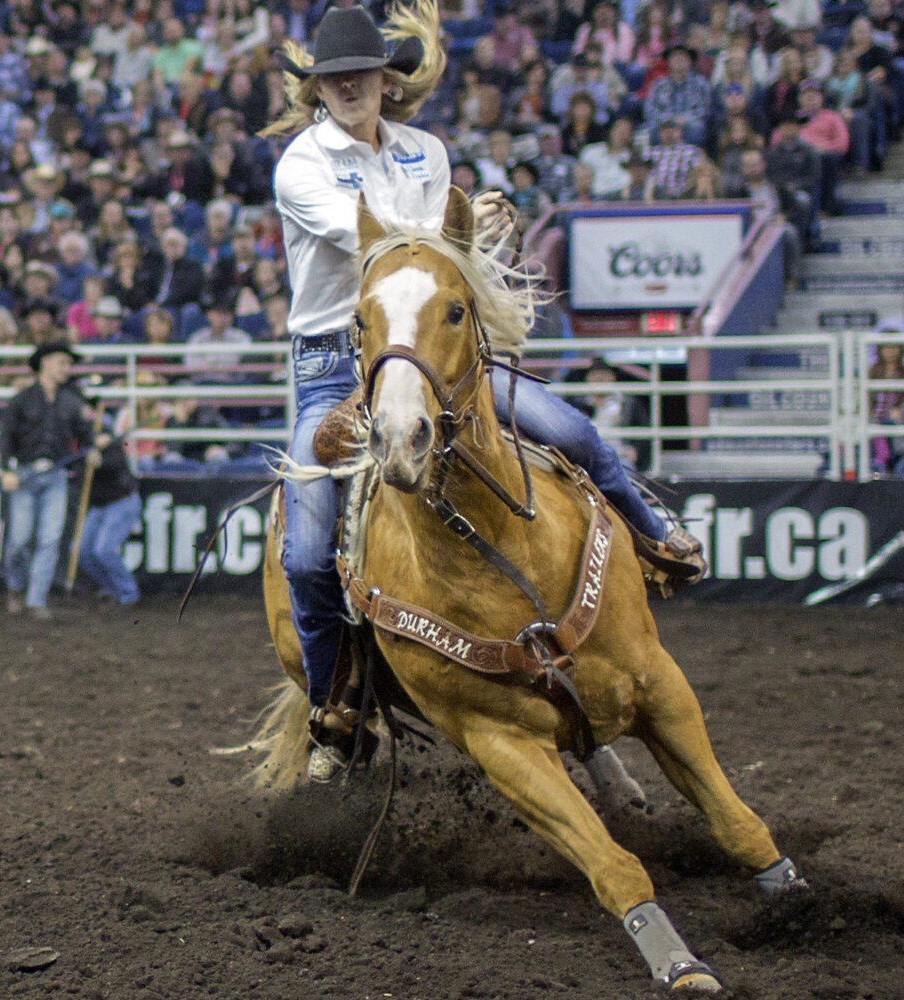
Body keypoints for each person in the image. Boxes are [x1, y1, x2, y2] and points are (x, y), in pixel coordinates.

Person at [264, 3, 704, 783]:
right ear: (318, 89)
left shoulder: (424, 152)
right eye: (333, 77)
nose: (347, 86)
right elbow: (379, 238)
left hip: (434, 354)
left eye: (360, 72)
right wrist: (465, 221)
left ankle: (654, 532)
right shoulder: (301, 165)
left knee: (570, 434)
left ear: (386, 79)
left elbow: (436, 261)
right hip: (336, 365)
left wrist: (471, 232)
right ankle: (335, 703)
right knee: (304, 552)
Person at [0, 342, 90, 620]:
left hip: (55, 476)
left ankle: (36, 600)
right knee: (19, 540)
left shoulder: (72, 401)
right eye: (63, 362)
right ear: (46, 363)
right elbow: (5, 436)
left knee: (49, 540)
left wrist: (93, 447)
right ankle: (16, 587)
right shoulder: (22, 400)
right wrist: (6, 469)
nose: (67, 368)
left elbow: (85, 435)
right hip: (25, 474)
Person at [76, 411, 141, 608]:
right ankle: (113, 589)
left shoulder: (113, 446)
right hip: (98, 505)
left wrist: (100, 459)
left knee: (104, 550)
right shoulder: (81, 448)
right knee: (82, 552)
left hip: (121, 502)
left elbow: (116, 464)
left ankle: (128, 593)